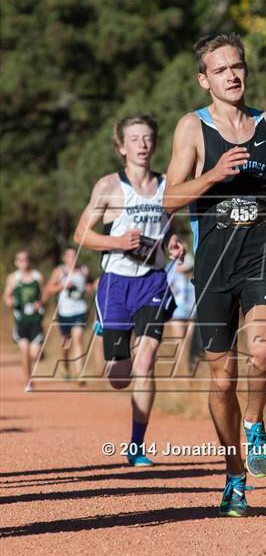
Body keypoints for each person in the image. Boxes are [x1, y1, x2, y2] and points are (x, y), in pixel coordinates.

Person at [164, 33, 266, 516]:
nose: (232, 75)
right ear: (204, 79)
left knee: (264, 350)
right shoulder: (192, 128)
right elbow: (169, 199)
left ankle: (255, 425)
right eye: (220, 69)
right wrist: (213, 174)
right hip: (213, 266)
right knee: (222, 381)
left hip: (262, 255)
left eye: (237, 66)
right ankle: (233, 475)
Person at [74, 114, 185, 467]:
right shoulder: (109, 186)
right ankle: (106, 328)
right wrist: (116, 241)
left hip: (153, 281)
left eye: (148, 138)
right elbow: (81, 235)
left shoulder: (169, 184)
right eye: (134, 139)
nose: (142, 144)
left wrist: (174, 244)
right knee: (119, 377)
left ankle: (137, 446)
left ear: (154, 143)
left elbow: (170, 231)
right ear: (121, 147)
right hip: (116, 283)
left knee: (146, 362)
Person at [44, 247, 91, 381]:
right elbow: (48, 288)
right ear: (64, 258)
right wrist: (62, 286)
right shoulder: (60, 271)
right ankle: (65, 366)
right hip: (65, 312)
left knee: (78, 339)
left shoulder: (84, 270)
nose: (72, 259)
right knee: (66, 343)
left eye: (74, 256)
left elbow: (89, 284)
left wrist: (90, 287)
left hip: (80, 310)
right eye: (69, 256)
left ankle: (80, 373)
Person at [3, 250, 45, 392]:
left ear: (29, 261)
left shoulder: (37, 276)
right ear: (16, 262)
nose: (23, 262)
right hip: (21, 322)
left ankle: (39, 354)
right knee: (25, 350)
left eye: (25, 259)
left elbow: (44, 295)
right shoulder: (13, 278)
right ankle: (28, 381)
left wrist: (39, 304)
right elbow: (6, 297)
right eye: (20, 259)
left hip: (36, 321)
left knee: (34, 354)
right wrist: (11, 302)